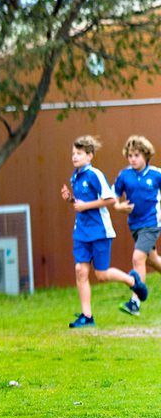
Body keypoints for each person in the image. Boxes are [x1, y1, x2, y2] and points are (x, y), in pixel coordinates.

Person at [60, 135, 148, 328]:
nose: (74, 157)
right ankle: (87, 316)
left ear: (90, 156)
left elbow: (109, 199)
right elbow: (80, 204)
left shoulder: (95, 175)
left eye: (79, 153)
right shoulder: (74, 176)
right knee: (80, 270)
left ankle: (132, 280)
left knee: (101, 274)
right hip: (81, 232)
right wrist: (70, 199)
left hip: (100, 231)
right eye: (73, 153)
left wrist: (84, 206)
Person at [111, 135, 161, 316]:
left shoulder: (156, 175)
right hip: (135, 225)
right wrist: (118, 206)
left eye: (137, 155)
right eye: (130, 155)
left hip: (152, 224)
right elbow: (113, 195)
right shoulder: (124, 175)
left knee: (138, 258)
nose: (133, 159)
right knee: (152, 260)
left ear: (146, 155)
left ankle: (135, 303)